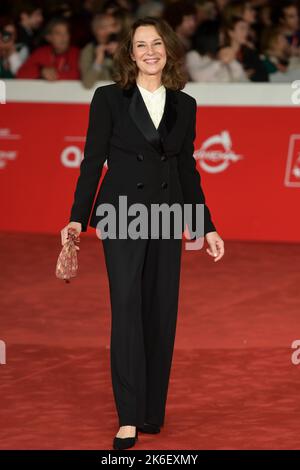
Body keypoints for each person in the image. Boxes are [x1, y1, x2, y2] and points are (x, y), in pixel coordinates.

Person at [61, 16, 224, 450]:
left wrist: (205, 226)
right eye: (140, 45)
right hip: (121, 217)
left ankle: (153, 411)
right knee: (128, 310)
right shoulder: (109, 99)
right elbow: (92, 161)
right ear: (130, 54)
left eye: (156, 43)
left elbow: (187, 169)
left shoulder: (185, 105)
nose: (149, 51)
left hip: (168, 218)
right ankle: (128, 416)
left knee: (160, 311)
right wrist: (78, 217)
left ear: (167, 49)